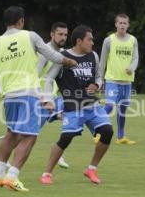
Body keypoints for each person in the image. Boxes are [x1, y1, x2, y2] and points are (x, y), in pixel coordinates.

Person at [0, 6, 77, 192]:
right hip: (29, 94)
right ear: (21, 21)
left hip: (9, 96)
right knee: (30, 136)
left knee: (11, 133)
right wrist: (69, 61)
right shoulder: (30, 36)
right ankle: (12, 176)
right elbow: (52, 55)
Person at [39, 25, 113, 185]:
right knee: (66, 139)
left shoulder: (93, 55)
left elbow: (100, 77)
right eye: (89, 39)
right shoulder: (62, 57)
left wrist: (98, 85)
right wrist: (48, 99)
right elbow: (48, 79)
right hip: (72, 107)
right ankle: (47, 173)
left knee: (107, 131)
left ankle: (91, 169)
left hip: (92, 105)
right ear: (79, 41)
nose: (92, 42)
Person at [99, 13, 139, 145]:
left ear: (128, 25)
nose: (122, 25)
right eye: (120, 23)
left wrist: (132, 68)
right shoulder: (108, 40)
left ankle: (121, 136)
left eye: (125, 23)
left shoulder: (133, 40)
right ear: (116, 24)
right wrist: (99, 78)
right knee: (109, 106)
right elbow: (102, 61)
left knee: (123, 109)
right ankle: (98, 132)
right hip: (112, 80)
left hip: (127, 81)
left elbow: (135, 58)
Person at [37, 22, 70, 169]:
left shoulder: (62, 52)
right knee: (30, 132)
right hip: (41, 97)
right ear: (52, 35)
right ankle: (3, 156)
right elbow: (35, 75)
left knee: (70, 117)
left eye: (65, 35)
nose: (63, 37)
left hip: (54, 97)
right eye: (60, 34)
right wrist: (41, 98)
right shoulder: (44, 51)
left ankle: (58, 153)